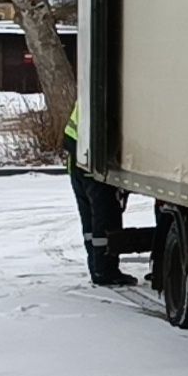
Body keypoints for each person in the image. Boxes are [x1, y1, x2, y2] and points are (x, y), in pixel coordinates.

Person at [63, 102, 136, 286]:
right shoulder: (101, 100)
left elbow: (69, 139)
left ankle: (96, 268)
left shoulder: (88, 98)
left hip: (78, 168)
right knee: (105, 222)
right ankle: (105, 271)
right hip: (93, 171)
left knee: (90, 223)